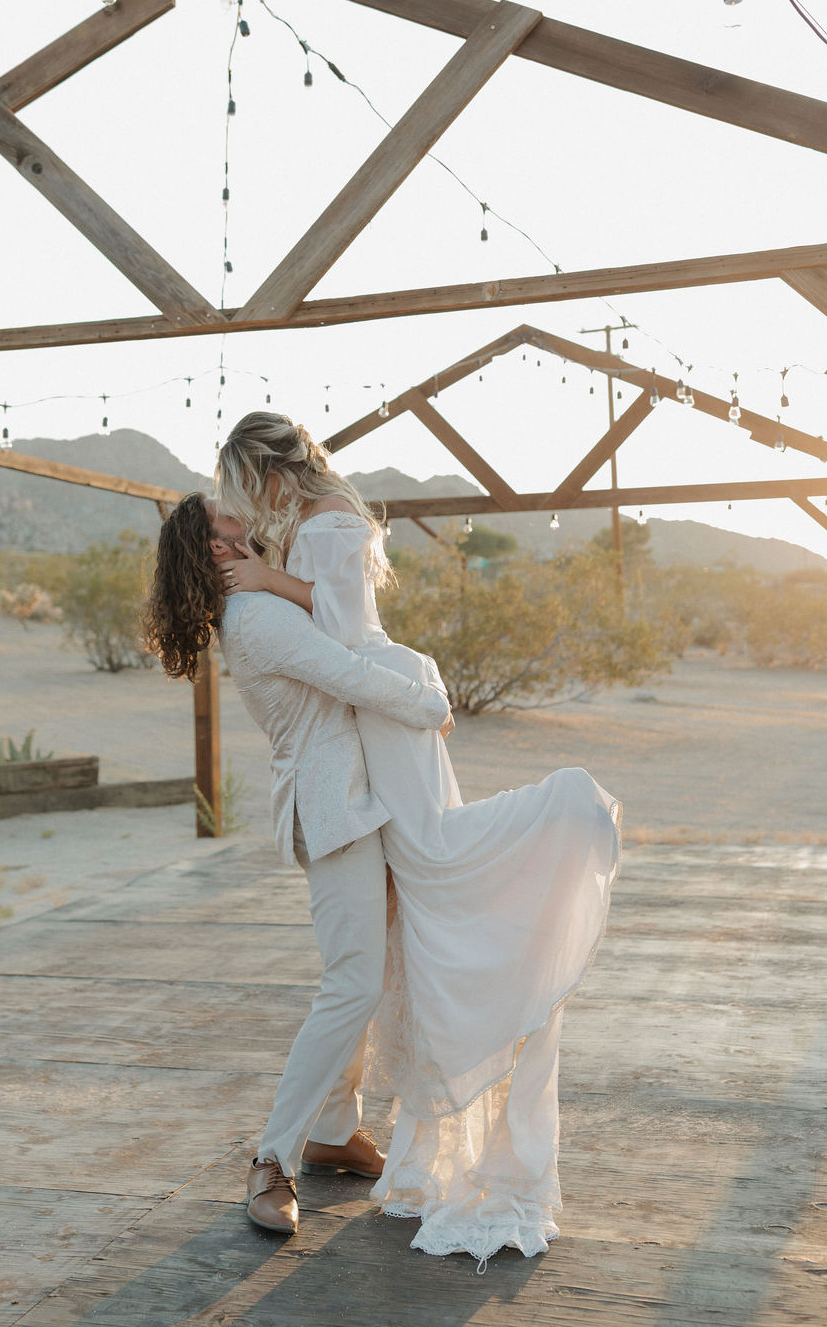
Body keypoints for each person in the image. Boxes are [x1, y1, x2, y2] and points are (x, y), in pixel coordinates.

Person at [215, 411, 622, 1267]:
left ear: (271, 476)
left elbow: (343, 639)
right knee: (385, 943)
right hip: (364, 739)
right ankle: (311, 1138)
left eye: (244, 496)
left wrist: (269, 577)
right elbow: (341, 643)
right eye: (229, 520)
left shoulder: (318, 532)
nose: (243, 523)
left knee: (412, 897)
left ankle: (317, 1135)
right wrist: (273, 582)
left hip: (377, 724)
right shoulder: (301, 552)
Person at [143, 492, 452, 1238]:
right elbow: (346, 672)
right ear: (217, 550)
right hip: (333, 808)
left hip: (353, 801)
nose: (245, 520)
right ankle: (270, 1160)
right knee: (350, 982)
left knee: (367, 975)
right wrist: (430, 700)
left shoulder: (259, 600)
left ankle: (335, 1132)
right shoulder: (255, 616)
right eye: (229, 522)